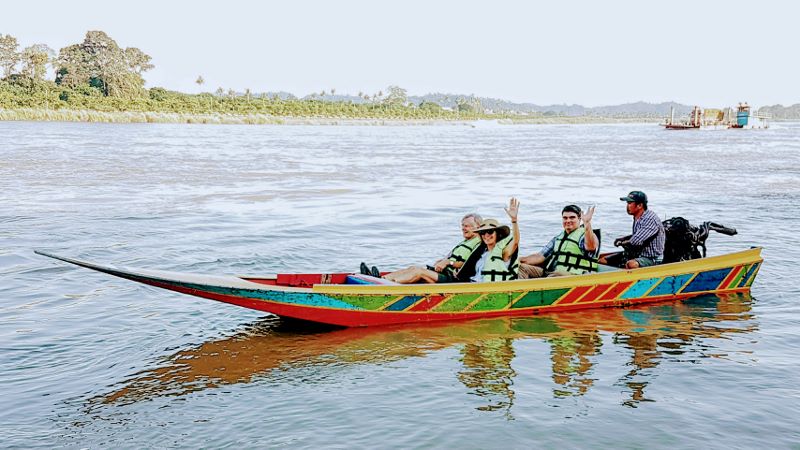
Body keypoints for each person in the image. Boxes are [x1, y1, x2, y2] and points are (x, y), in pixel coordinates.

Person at [379, 213, 483, 284]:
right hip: (445, 273)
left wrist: (448, 262)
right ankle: (381, 279)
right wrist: (441, 262)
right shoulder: (467, 241)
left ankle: (389, 286)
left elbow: (468, 265)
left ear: (478, 227)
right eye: (463, 225)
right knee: (413, 268)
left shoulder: (478, 243)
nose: (463, 228)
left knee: (418, 272)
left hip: (453, 279)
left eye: (467, 226)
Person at [517, 204, 599, 277]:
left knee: (557, 274)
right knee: (521, 267)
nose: (568, 221)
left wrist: (587, 224)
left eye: (572, 217)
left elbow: (590, 246)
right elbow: (540, 256)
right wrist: (519, 260)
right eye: (565, 218)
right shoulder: (558, 238)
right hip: (552, 272)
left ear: (579, 219)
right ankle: (517, 291)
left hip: (576, 276)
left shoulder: (584, 235)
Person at [457, 198, 521, 282]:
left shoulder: (503, 253)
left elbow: (515, 242)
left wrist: (514, 220)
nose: (486, 235)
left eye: (490, 231)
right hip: (472, 285)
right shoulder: (481, 253)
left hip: (489, 289)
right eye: (483, 232)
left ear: (497, 234)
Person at [602, 190, 665, 268]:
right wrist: (623, 238)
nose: (627, 206)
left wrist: (622, 243)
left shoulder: (650, 219)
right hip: (637, 255)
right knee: (602, 260)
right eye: (627, 203)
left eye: (629, 203)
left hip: (651, 259)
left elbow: (636, 241)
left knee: (631, 264)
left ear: (640, 205)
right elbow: (638, 235)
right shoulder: (637, 217)